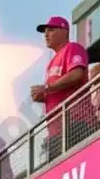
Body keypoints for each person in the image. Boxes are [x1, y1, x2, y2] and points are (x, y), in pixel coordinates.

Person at [31, 16, 89, 160]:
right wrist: (42, 96)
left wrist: (47, 88)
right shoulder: (50, 63)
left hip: (76, 120)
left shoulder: (73, 48)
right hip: (55, 131)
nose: (46, 34)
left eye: (51, 30)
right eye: (45, 31)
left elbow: (77, 74)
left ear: (64, 31)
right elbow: (54, 90)